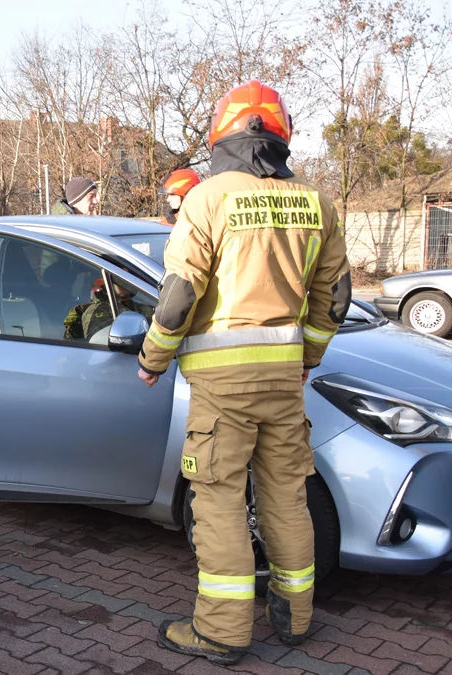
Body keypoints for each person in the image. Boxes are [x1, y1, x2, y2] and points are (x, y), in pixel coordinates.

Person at [136, 80, 350, 665]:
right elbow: (336, 298)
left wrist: (153, 359)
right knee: (286, 497)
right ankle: (295, 619)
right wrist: (307, 356)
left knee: (220, 501)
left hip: (223, 386)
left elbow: (179, 296)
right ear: (281, 134)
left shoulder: (206, 199)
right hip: (284, 383)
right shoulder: (316, 202)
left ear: (220, 136)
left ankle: (222, 631)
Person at [64, 279, 153, 341]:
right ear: (108, 285)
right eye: (119, 279)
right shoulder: (98, 311)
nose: (127, 282)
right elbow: (102, 345)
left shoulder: (142, 306)